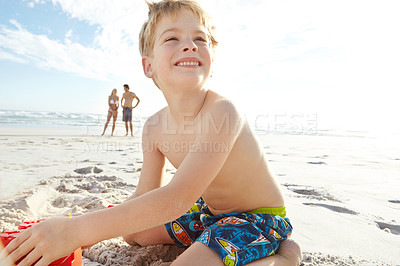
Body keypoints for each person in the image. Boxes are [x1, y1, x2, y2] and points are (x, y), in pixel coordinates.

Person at [0, 1, 302, 265]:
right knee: (134, 233)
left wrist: (78, 229)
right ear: (149, 66)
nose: (190, 45)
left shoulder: (223, 112)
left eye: (200, 38)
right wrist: (81, 231)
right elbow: (146, 195)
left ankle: (285, 258)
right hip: (208, 213)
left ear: (212, 60)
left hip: (259, 218)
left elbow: (176, 199)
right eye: (172, 38)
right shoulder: (154, 127)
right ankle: (211, 240)